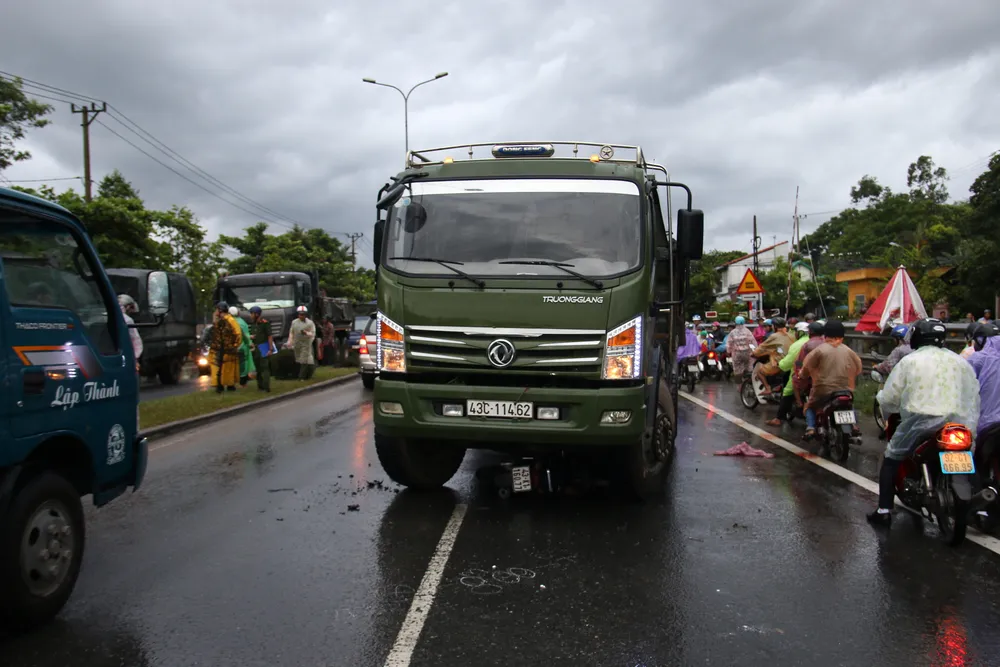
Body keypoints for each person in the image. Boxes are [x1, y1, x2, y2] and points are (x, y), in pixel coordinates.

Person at [867, 318, 981, 526]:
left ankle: (883, 509)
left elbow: (891, 398)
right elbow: (973, 394)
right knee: (968, 459)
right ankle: (981, 512)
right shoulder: (959, 361)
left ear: (916, 336)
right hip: (958, 422)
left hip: (919, 421)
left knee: (891, 458)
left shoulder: (910, 361)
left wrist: (886, 410)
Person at [799, 320, 863, 439]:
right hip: (846, 388)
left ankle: (811, 428)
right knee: (849, 404)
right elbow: (858, 367)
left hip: (823, 389)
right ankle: (853, 425)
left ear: (825, 334)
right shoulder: (848, 350)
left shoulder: (819, 350)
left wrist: (802, 375)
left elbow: (807, 367)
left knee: (810, 406)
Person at [768, 321, 810, 426]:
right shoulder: (820, 341)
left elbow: (788, 363)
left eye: (795, 331)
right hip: (819, 375)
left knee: (787, 391)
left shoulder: (798, 344)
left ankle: (779, 418)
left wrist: (780, 364)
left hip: (801, 373)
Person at [752, 317, 793, 393]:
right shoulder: (790, 335)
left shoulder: (774, 336)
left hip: (780, 361)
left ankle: (768, 388)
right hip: (791, 361)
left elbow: (762, 347)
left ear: (774, 326)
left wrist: (754, 353)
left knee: (760, 372)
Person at [210, 302, 242, 393]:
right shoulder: (220, 320)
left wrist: (234, 346)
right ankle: (220, 385)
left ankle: (228, 386)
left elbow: (238, 334)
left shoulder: (230, 320)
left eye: (216, 309)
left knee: (228, 369)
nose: (215, 311)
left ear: (220, 310)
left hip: (227, 350)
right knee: (220, 368)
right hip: (220, 349)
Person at [793, 320, 826, 408]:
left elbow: (800, 361)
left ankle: (799, 403)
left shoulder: (807, 345)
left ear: (810, 332)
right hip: (828, 373)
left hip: (811, 376)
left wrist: (798, 372)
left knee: (794, 380)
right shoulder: (827, 343)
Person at [287, 305, 317, 379]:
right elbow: (291, 332)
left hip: (306, 344)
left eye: (303, 314)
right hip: (297, 343)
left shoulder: (310, 323)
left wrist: (306, 333)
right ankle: (306, 374)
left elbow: (313, 333)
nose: (301, 316)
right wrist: (290, 341)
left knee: (304, 360)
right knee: (299, 360)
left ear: (306, 315)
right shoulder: (294, 322)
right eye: (300, 314)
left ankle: (301, 377)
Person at [249, 306, 274, 392]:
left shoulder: (264, 323)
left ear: (256, 314)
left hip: (263, 347)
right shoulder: (253, 324)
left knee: (265, 368)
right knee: (258, 368)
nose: (251, 316)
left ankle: (266, 387)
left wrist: (270, 349)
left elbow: (270, 336)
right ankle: (260, 386)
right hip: (255, 348)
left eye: (252, 314)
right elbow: (253, 335)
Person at [229, 306, 256, 386]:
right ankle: (242, 382)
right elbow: (246, 335)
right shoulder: (242, 322)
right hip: (242, 347)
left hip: (231, 347)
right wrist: (250, 343)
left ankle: (233, 382)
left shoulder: (229, 322)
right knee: (243, 365)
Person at [118, 294, 143, 372]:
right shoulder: (128, 320)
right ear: (128, 306)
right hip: (126, 356)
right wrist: (135, 358)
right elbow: (135, 340)